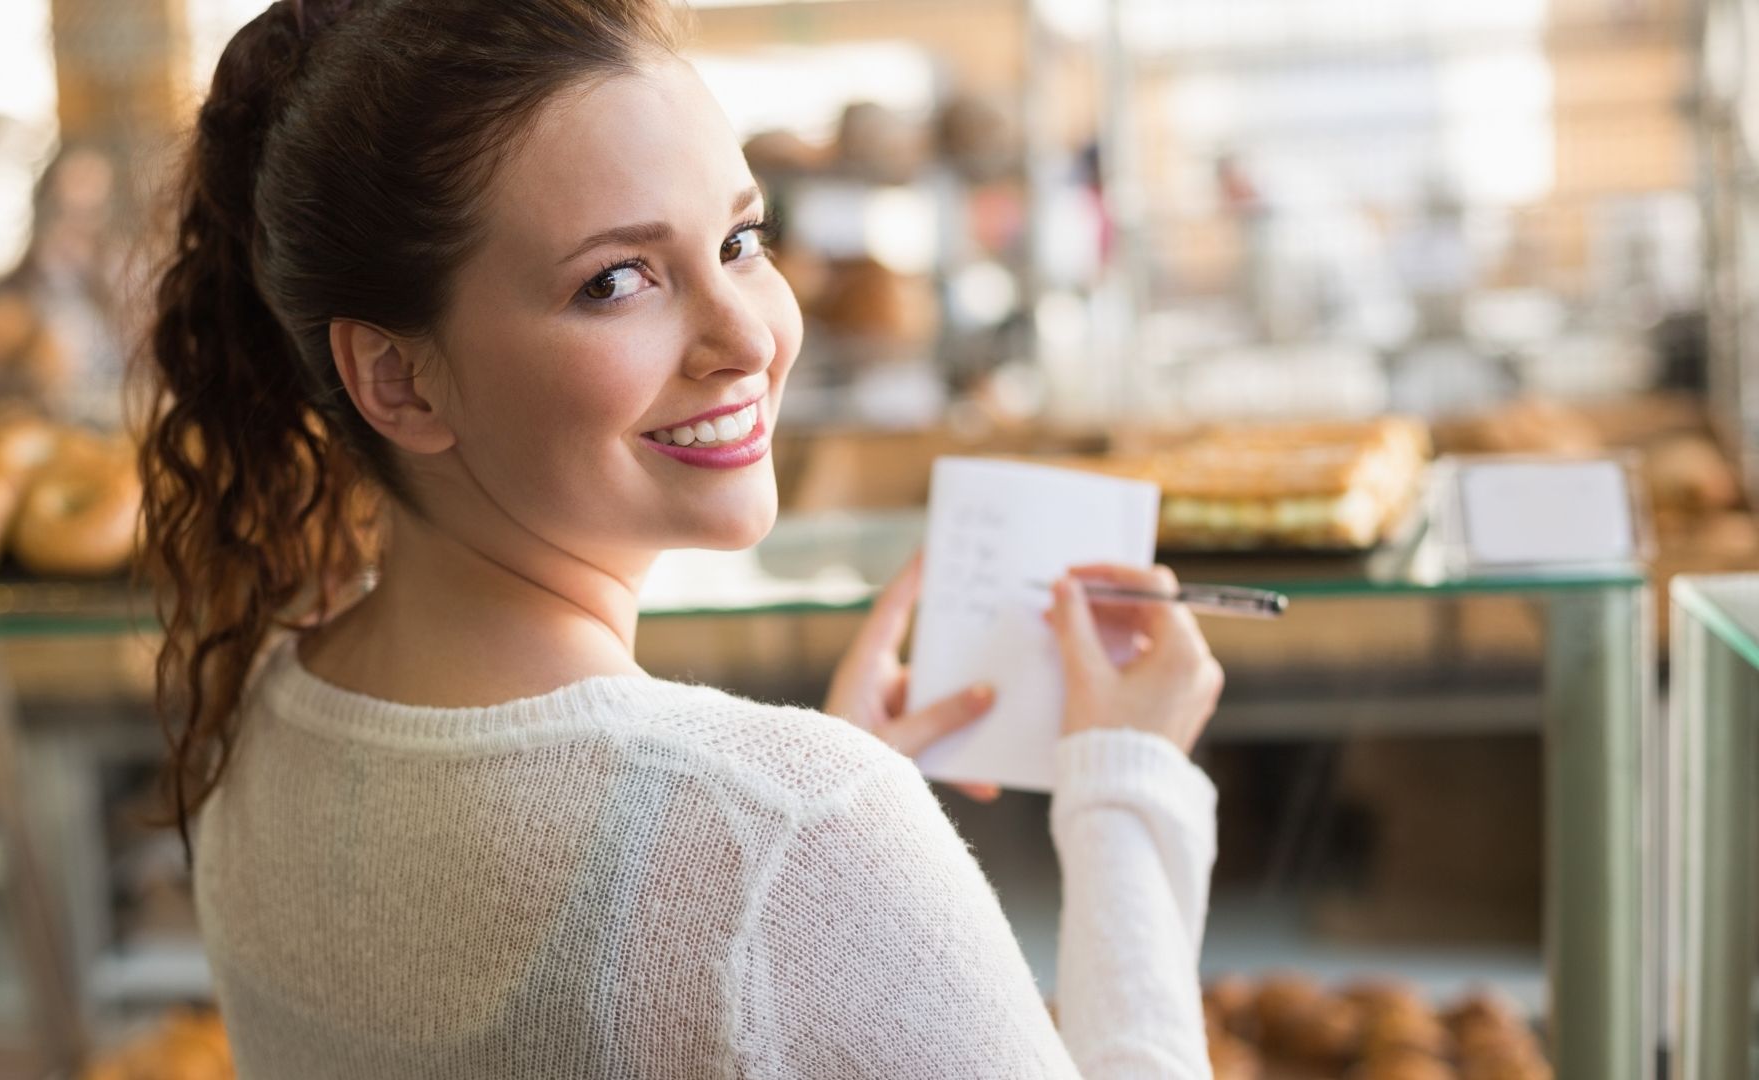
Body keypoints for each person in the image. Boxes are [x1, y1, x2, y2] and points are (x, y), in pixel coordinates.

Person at [136, 0, 1225, 1076]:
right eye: (616, 281)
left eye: (742, 240)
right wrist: (1125, 789)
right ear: (396, 378)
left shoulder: (256, 719)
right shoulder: (795, 835)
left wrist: (788, 849)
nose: (751, 335)